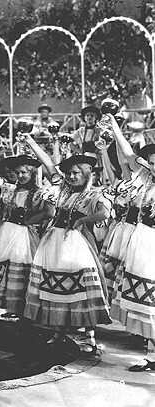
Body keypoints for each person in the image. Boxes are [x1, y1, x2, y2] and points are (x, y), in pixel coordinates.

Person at [24, 133, 112, 355]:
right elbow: (48, 164)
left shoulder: (93, 194)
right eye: (69, 173)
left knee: (81, 287)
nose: (71, 177)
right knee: (55, 284)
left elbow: (104, 212)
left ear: (86, 174)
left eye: (76, 173)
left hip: (77, 244)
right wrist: (31, 142)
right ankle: (58, 331)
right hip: (54, 242)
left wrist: (83, 220)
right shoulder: (63, 188)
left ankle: (89, 336)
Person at [0, 154, 54, 322]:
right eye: (18, 173)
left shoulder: (39, 193)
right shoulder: (9, 189)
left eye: (24, 172)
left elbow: (49, 212)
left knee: (21, 270)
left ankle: (22, 314)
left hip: (23, 237)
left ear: (32, 173)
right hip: (4, 233)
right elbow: (3, 211)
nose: (20, 176)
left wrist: (30, 220)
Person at [107, 115, 155, 372]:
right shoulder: (147, 179)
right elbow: (127, 154)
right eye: (152, 163)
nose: (154, 167)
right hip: (142, 241)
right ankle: (152, 356)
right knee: (145, 302)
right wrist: (115, 126)